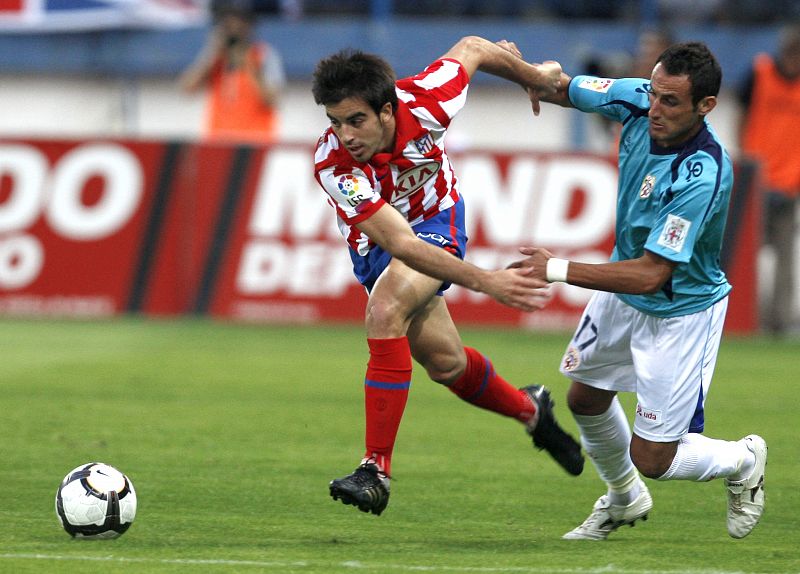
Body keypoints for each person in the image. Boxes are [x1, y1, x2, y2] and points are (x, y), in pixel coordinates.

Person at [311, 36, 585, 516]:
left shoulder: (427, 99)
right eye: (335, 122)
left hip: (437, 219)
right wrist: (486, 280)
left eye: (356, 120)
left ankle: (375, 470)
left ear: (387, 110)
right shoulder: (333, 163)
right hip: (381, 244)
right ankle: (531, 410)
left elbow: (473, 48)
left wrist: (534, 78)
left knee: (385, 308)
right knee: (446, 365)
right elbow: (400, 245)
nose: (345, 134)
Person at [517, 42, 767, 540]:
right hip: (623, 287)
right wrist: (514, 66)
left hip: (679, 310)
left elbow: (654, 274)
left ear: (705, 106)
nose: (654, 108)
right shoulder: (636, 99)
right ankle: (624, 498)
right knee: (585, 399)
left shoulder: (703, 172)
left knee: (655, 458)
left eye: (670, 101)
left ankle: (743, 458)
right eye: (653, 93)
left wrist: (557, 269)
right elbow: (559, 86)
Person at [739, 23, 800, 336]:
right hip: (757, 181)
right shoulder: (759, 73)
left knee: (786, 259)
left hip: (790, 184)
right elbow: (742, 114)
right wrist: (745, 160)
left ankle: (780, 322)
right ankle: (743, 316)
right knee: (746, 256)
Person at [179, 0, 285, 145]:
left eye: (239, 24)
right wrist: (213, 54)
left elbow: (273, 100)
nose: (234, 30)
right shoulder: (216, 57)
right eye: (228, 25)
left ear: (249, 27)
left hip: (255, 143)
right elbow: (187, 88)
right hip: (218, 143)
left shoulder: (264, 55)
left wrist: (249, 64)